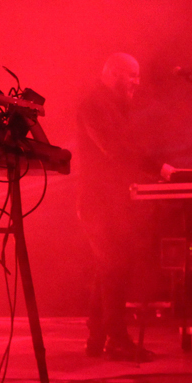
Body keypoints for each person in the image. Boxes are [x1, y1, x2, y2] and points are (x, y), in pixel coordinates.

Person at [76, 53, 159, 361]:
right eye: (131, 75)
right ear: (112, 73)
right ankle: (116, 339)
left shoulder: (114, 105)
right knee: (113, 265)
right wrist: (157, 168)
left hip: (109, 198)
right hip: (98, 199)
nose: (137, 82)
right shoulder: (94, 104)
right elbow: (114, 149)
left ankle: (97, 336)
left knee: (109, 266)